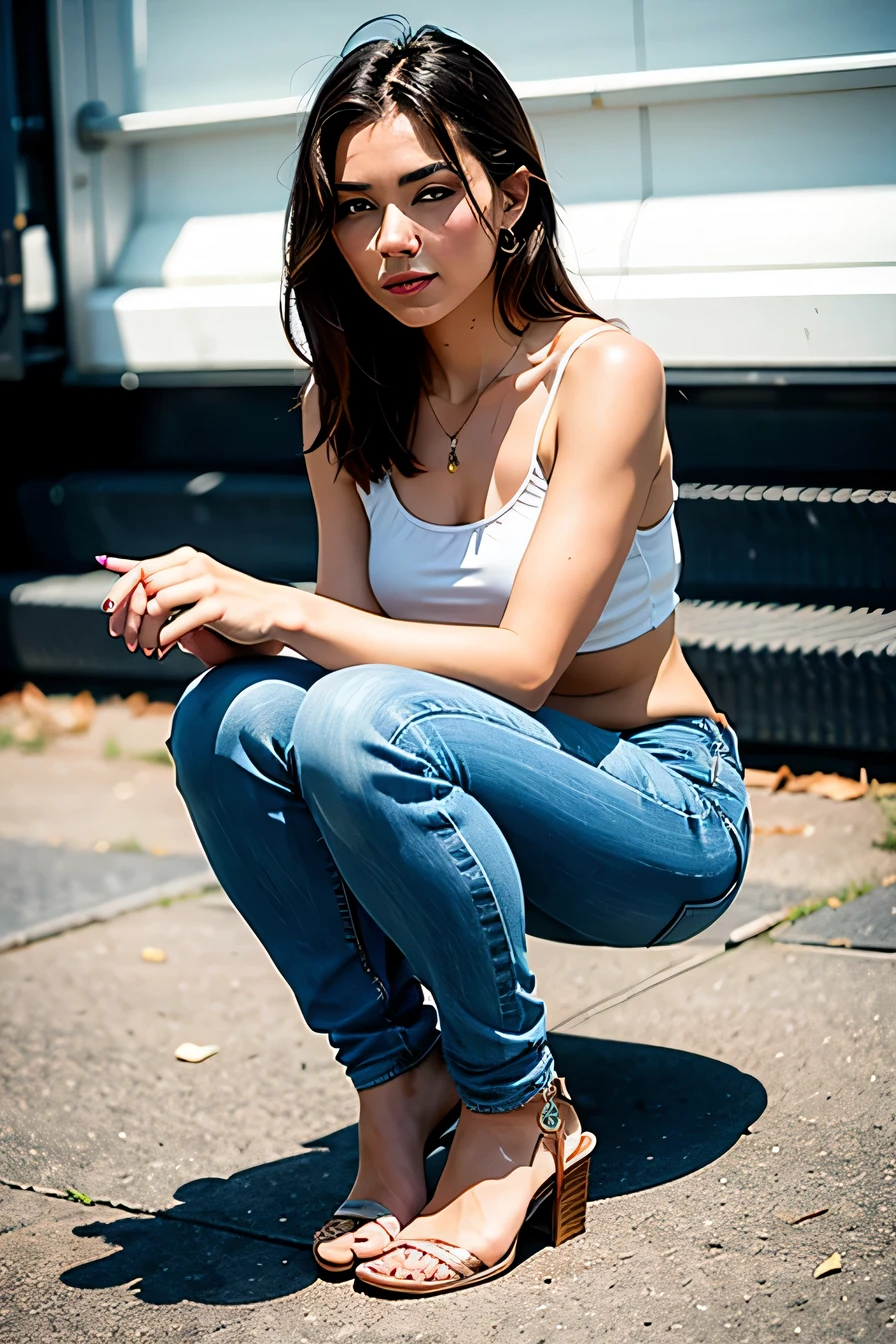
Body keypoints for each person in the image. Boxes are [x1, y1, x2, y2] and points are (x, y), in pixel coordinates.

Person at [97, 19, 752, 1295]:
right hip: (459, 802)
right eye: (353, 208)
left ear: (510, 197)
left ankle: (519, 1115)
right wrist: (229, 631)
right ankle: (396, 1085)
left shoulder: (601, 372)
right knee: (229, 718)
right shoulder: (341, 405)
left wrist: (283, 613)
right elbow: (338, 669)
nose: (388, 240)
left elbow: (516, 664)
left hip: (651, 817)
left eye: (429, 193)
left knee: (351, 715)